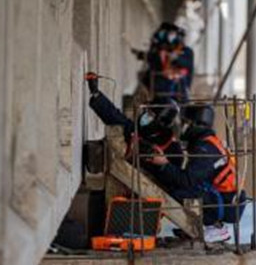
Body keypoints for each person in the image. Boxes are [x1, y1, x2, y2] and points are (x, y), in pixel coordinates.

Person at [148, 104, 247, 243]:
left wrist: (164, 164)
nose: (182, 127)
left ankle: (214, 226)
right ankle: (205, 224)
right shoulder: (206, 143)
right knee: (178, 184)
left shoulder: (205, 149)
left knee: (178, 192)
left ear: (197, 125)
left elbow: (187, 180)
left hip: (223, 203)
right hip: (223, 198)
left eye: (185, 123)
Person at [85, 72, 184, 178]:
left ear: (161, 123)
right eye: (147, 111)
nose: (146, 116)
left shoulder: (173, 151)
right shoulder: (144, 130)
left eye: (150, 115)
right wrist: (95, 92)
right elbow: (115, 117)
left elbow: (172, 177)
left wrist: (160, 163)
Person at [140, 22, 194, 103]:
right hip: (161, 87)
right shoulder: (163, 50)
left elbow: (186, 64)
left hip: (178, 89)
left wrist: (176, 58)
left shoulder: (186, 52)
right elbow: (154, 61)